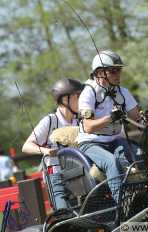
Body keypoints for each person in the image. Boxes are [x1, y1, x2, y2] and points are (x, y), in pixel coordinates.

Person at [77, 50, 140, 207]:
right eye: (113, 71)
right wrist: (110, 118)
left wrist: (146, 118)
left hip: (115, 140)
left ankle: (146, 197)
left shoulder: (122, 92)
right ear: (100, 73)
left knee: (139, 153)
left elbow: (136, 117)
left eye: (119, 70)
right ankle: (124, 205)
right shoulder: (88, 92)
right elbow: (88, 127)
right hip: (91, 143)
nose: (118, 74)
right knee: (111, 162)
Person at [22, 78, 84, 210]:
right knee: (64, 213)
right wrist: (45, 151)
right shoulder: (50, 121)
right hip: (56, 177)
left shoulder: (80, 121)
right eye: (78, 96)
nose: (82, 99)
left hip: (80, 174)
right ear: (65, 100)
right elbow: (26, 146)